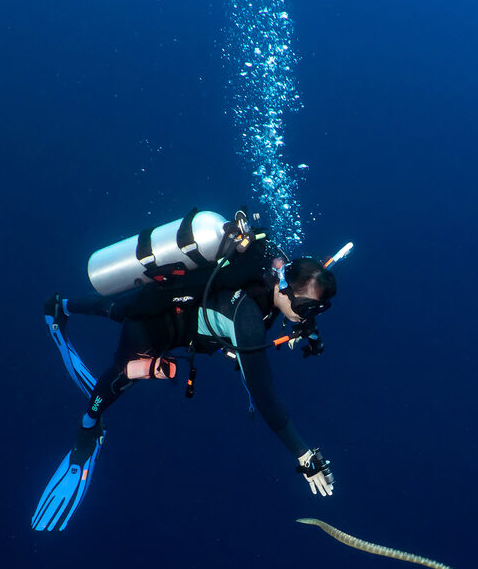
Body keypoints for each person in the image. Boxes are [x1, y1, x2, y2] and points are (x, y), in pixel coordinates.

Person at [31, 224, 338, 532]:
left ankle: (60, 306)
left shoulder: (275, 264)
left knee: (116, 307)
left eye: (316, 311)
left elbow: (306, 296)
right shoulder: (247, 323)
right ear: (284, 285)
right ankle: (87, 427)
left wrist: (309, 331)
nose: (307, 315)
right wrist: (303, 455)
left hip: (170, 297)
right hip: (157, 328)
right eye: (304, 309)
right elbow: (263, 395)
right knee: (122, 374)